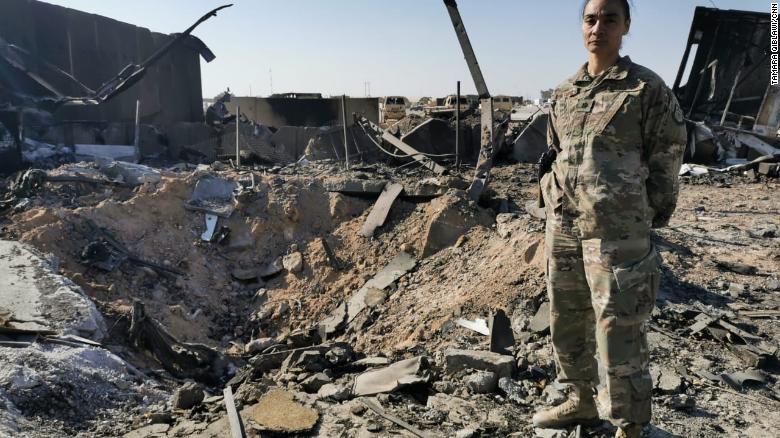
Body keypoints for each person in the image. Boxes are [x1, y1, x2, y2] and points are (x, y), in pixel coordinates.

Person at [532, 0, 687, 437]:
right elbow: (555, 152)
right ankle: (580, 400)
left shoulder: (645, 89)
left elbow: (668, 155)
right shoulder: (565, 91)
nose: (598, 27)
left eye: (609, 19)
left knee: (619, 328)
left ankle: (630, 424)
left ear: (626, 26)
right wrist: (550, 195)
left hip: (617, 232)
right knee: (567, 317)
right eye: (590, 19)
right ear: (582, 26)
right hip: (564, 227)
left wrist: (646, 213)